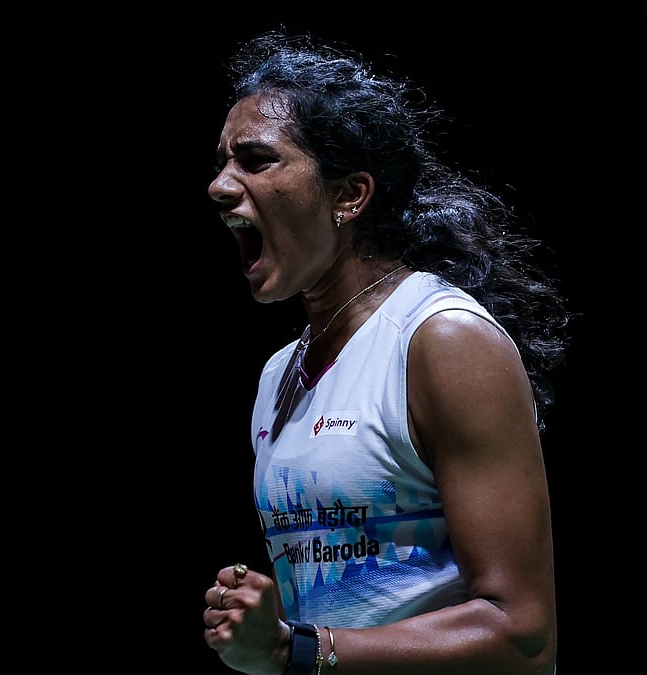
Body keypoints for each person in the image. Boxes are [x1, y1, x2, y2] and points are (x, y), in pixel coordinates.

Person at [201, 30, 571, 675]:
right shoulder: (278, 374)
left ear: (349, 196)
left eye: (256, 161)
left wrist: (298, 650)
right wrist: (263, 630)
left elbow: (522, 632)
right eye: (221, 162)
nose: (219, 186)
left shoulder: (441, 342)